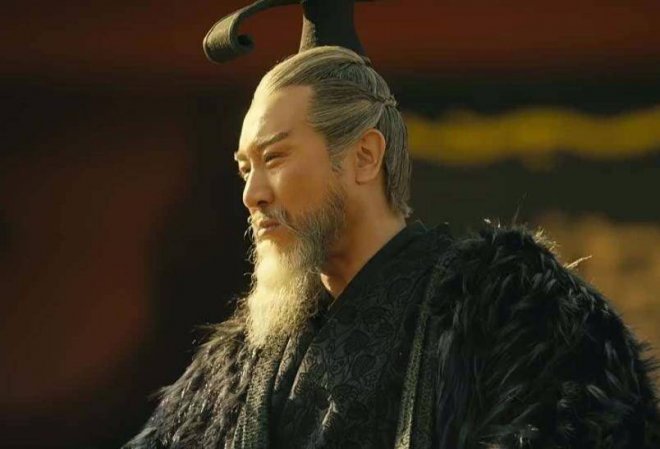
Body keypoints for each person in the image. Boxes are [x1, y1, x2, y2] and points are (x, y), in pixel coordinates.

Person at [122, 45, 659, 449]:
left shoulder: (511, 316)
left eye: (275, 158)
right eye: (245, 168)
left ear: (364, 156)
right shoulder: (235, 368)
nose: (251, 194)